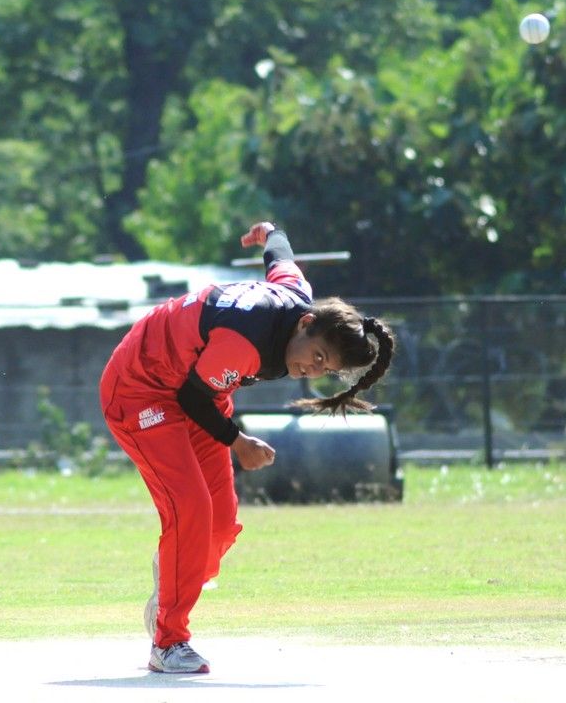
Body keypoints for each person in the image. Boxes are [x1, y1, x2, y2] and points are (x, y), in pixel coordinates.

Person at [99, 221, 395, 673]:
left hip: (200, 394)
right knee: (191, 508)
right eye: (316, 356)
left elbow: (281, 257)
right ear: (306, 323)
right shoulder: (245, 338)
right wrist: (238, 442)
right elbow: (191, 399)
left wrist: (270, 231)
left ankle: (172, 574)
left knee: (218, 526)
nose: (311, 370)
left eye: (325, 369)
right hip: (141, 389)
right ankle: (168, 642)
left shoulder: (298, 295)